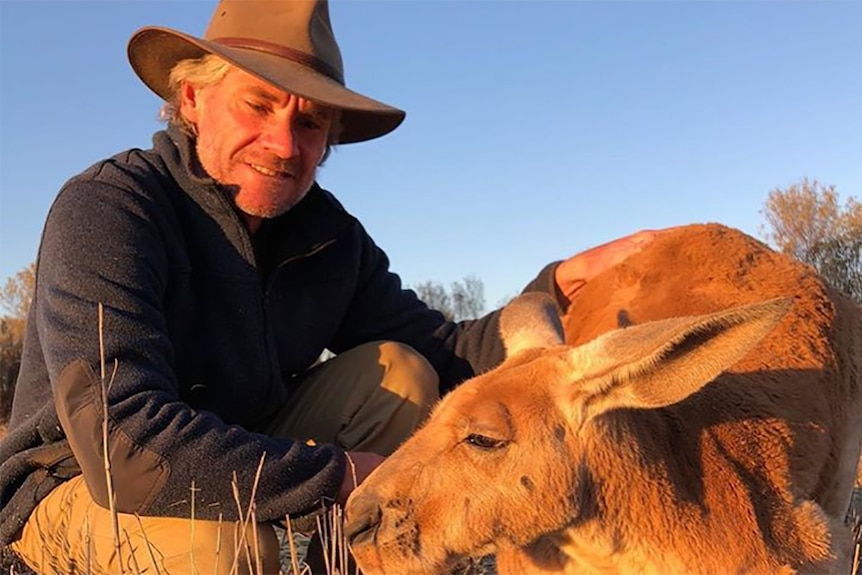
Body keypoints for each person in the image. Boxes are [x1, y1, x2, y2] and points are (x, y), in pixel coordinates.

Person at [0, 1, 662, 573]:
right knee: (233, 554)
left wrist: (560, 287)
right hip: (83, 480)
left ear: (329, 140)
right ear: (194, 100)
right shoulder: (110, 208)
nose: (284, 143)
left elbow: (444, 353)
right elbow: (125, 446)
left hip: (246, 446)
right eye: (258, 103)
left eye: (310, 121)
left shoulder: (328, 237)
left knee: (400, 372)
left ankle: (350, 552)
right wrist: (346, 476)